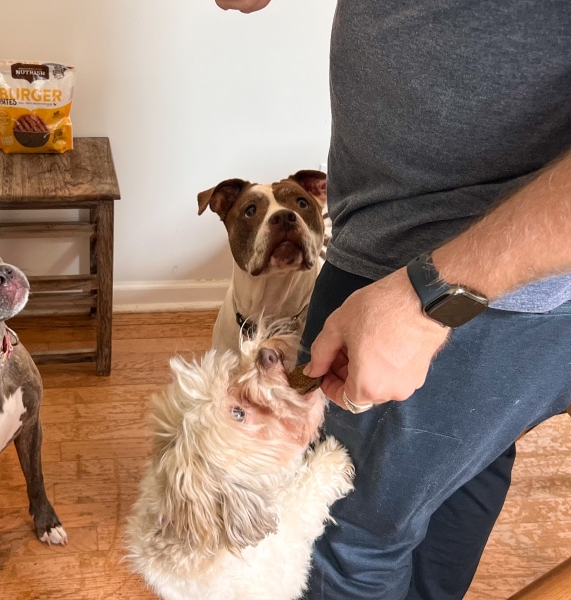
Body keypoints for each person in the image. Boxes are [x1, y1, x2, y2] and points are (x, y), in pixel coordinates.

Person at [214, 1, 571, 599]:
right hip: (411, 254)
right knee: (461, 473)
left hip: (447, 270)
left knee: (340, 535)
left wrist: (435, 294)